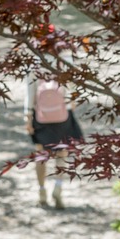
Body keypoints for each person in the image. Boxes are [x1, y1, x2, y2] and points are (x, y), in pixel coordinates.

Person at [24, 74, 83, 208]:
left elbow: (29, 92)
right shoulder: (63, 59)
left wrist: (27, 117)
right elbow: (71, 91)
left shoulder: (34, 64)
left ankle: (42, 191)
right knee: (62, 153)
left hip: (40, 115)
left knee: (41, 155)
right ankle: (58, 187)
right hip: (62, 115)